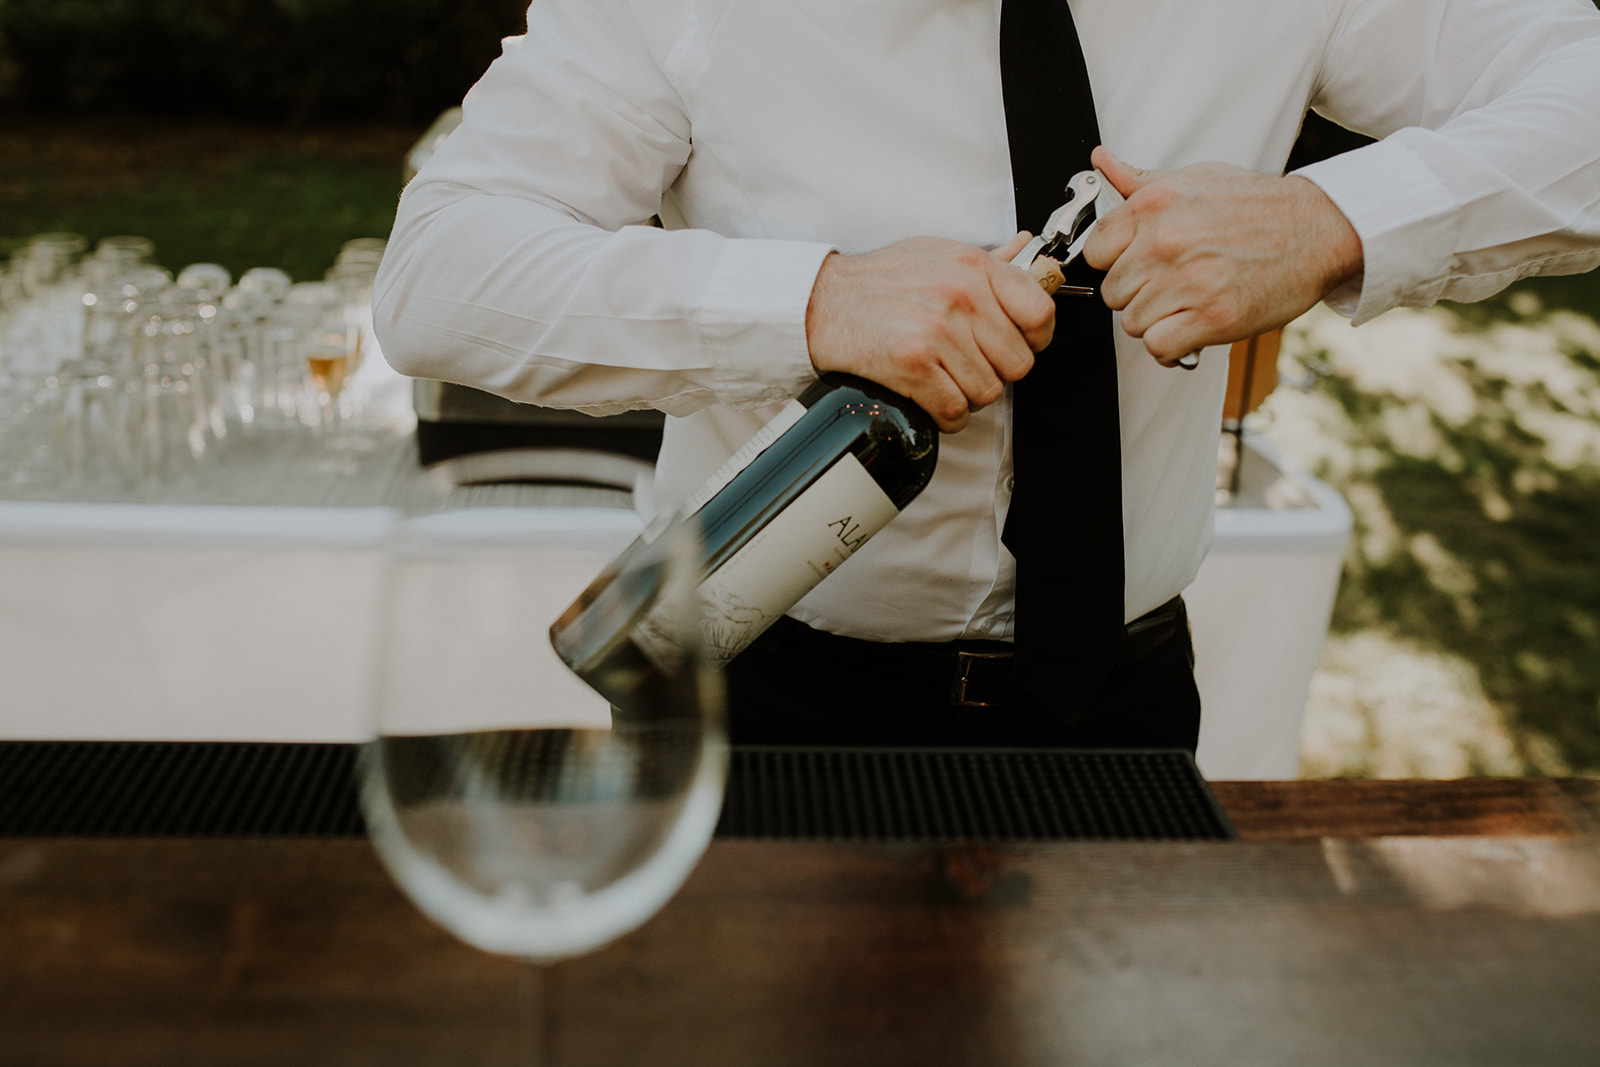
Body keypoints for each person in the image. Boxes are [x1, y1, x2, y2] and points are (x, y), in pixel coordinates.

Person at [373, 0, 1600, 752]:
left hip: (1120, 700)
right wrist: (809, 302)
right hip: (759, 695)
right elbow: (440, 270)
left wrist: (1332, 217)